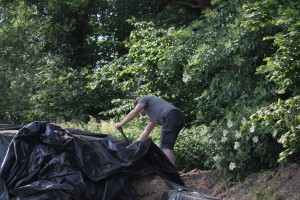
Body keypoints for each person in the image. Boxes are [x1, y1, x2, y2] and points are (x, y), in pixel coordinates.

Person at [115, 95, 185, 166]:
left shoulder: (143, 99)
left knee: (165, 147)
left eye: (139, 110)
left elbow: (134, 111)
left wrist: (121, 123)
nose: (139, 113)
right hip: (179, 117)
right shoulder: (154, 115)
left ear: (139, 105)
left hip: (171, 116)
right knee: (168, 146)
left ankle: (171, 173)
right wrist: (138, 145)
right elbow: (147, 131)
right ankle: (173, 171)